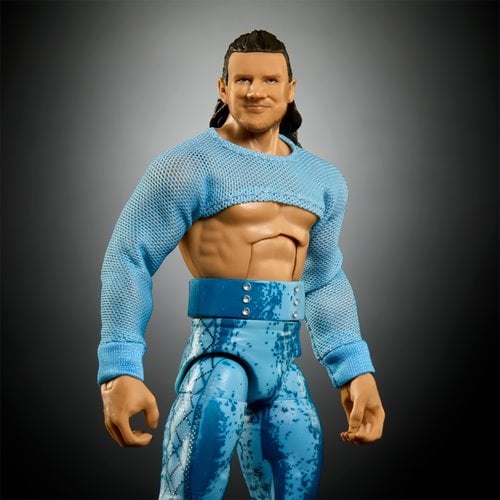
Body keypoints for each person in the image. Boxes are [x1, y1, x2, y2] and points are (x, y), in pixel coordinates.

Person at [98, 29, 385, 499]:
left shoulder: (323, 179)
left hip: (284, 363)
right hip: (217, 356)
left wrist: (354, 368)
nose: (256, 91)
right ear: (222, 87)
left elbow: (324, 278)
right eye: (243, 79)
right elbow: (129, 256)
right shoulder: (188, 166)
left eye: (270, 80)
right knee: (192, 484)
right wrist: (119, 368)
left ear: (291, 89)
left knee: (298, 477)